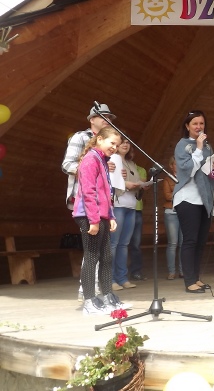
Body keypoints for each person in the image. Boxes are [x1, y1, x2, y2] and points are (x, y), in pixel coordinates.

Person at [72, 126, 130, 315]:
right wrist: (94, 220)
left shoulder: (103, 160)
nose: (114, 147)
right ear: (99, 140)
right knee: (92, 257)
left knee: (106, 257)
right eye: (112, 143)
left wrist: (110, 216)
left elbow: (106, 192)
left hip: (101, 214)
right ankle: (89, 301)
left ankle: (107, 296)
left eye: (117, 145)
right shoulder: (91, 159)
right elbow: (88, 192)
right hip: (89, 215)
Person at [62, 103, 116, 301]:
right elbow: (67, 164)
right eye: (103, 116)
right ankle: (87, 292)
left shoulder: (107, 145)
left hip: (101, 202)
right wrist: (90, 170)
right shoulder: (80, 137)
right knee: (92, 249)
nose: (107, 120)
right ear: (92, 119)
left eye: (110, 117)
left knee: (103, 252)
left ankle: (101, 291)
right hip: (84, 199)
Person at [173, 110, 214, 294]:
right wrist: (198, 148)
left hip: (204, 199)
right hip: (187, 198)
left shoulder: (208, 147)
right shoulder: (182, 145)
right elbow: (187, 170)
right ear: (187, 126)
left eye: (201, 123)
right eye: (195, 124)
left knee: (200, 241)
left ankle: (196, 277)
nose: (199, 127)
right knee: (190, 240)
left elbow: (210, 175)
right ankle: (189, 281)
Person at [109, 139, 141, 291]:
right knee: (113, 243)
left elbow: (136, 181)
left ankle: (122, 278)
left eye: (128, 142)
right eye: (122, 142)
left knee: (124, 244)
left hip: (131, 205)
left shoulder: (131, 163)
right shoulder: (111, 160)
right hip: (117, 204)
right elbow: (108, 181)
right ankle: (110, 279)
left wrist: (140, 185)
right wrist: (125, 184)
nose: (125, 144)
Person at [128, 162, 149, 282]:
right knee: (119, 243)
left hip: (137, 209)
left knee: (135, 244)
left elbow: (141, 185)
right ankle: (117, 274)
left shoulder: (141, 169)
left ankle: (136, 271)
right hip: (121, 208)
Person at [163, 156, 183, 280]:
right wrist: (181, 193)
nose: (178, 166)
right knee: (173, 243)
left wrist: (176, 193)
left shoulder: (185, 178)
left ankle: (182, 270)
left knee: (183, 243)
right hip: (171, 212)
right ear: (171, 166)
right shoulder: (167, 179)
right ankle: (171, 271)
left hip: (184, 212)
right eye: (176, 164)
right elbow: (167, 196)